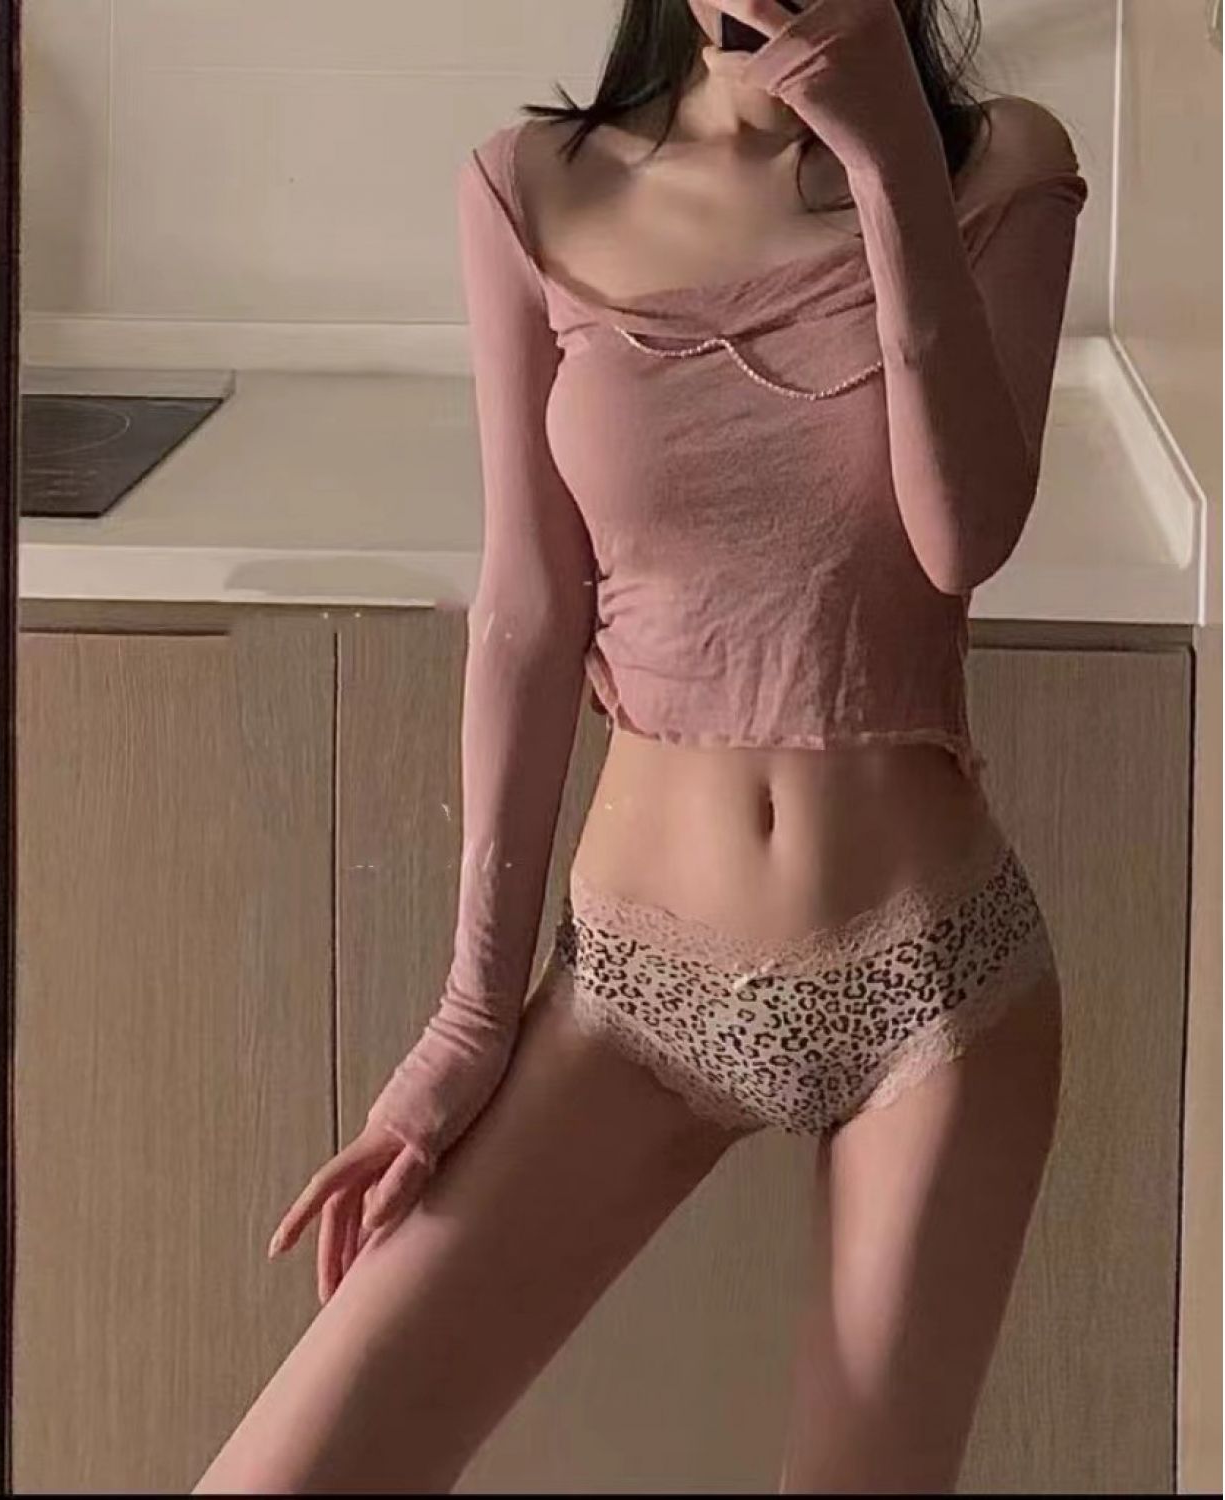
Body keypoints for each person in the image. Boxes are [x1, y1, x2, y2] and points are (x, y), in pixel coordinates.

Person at [193, 0, 1087, 1490]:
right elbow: (530, 613)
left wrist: (889, 165)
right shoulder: (533, 188)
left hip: (936, 994)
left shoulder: (1003, 167)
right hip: (633, 996)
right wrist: (469, 1023)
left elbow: (963, 537)